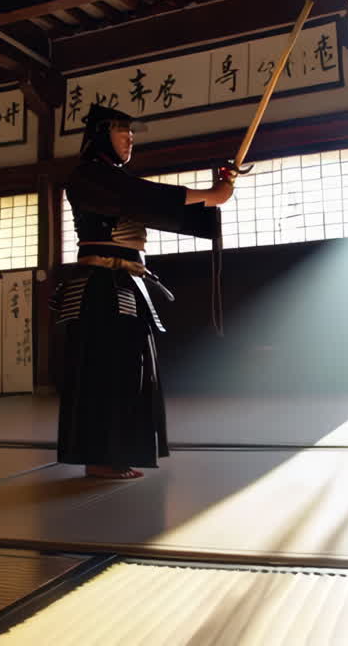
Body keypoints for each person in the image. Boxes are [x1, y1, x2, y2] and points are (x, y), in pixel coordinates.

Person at [51, 104, 235, 478]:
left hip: (126, 285)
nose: (129, 138)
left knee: (129, 371)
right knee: (107, 373)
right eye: (122, 131)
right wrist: (211, 194)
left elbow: (153, 206)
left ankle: (116, 455)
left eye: (131, 132)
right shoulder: (89, 176)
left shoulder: (115, 182)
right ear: (102, 133)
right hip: (100, 290)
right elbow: (143, 197)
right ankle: (100, 458)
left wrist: (215, 195)